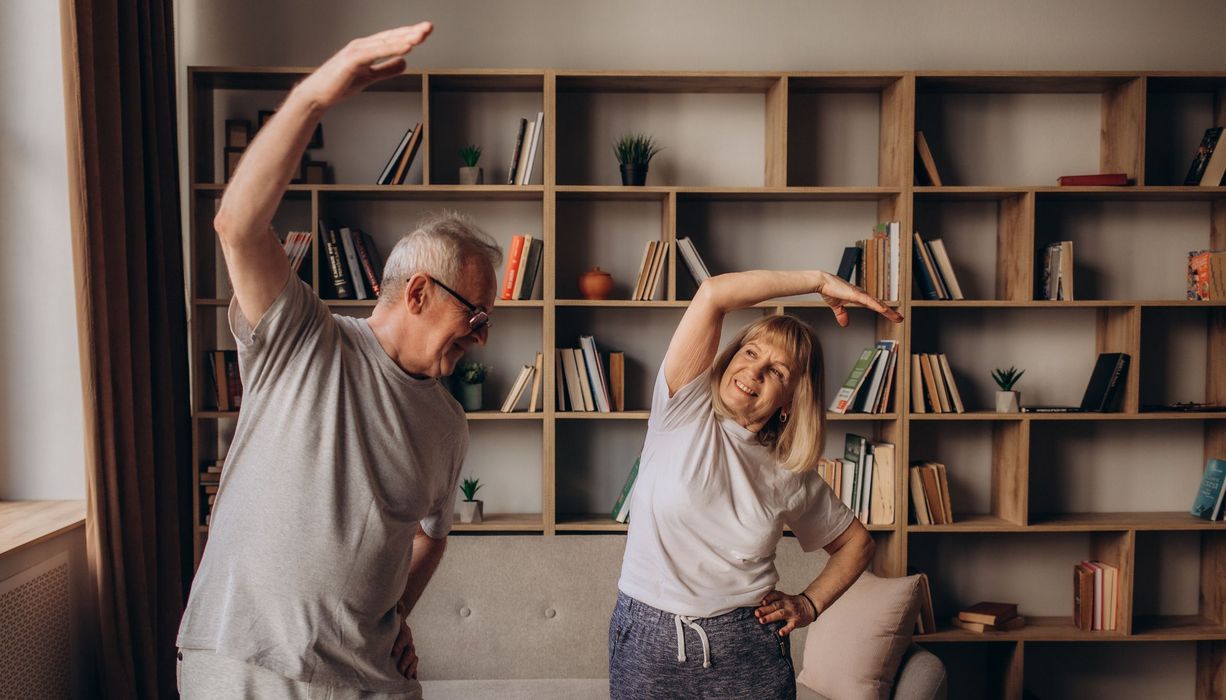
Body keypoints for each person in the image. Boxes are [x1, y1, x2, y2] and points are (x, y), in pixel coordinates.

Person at [175, 23, 502, 699]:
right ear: (417, 291)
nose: (480, 336)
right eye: (473, 316)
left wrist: (399, 613)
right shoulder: (305, 338)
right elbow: (237, 223)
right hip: (245, 669)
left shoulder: (449, 425)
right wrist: (318, 94)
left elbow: (431, 537)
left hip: (370, 682)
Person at [610, 269, 904, 699]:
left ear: (790, 400)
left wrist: (808, 604)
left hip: (746, 647)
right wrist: (819, 282)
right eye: (750, 352)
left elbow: (857, 544)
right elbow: (713, 294)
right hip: (647, 643)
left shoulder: (790, 471)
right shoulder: (682, 410)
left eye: (778, 371)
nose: (754, 371)